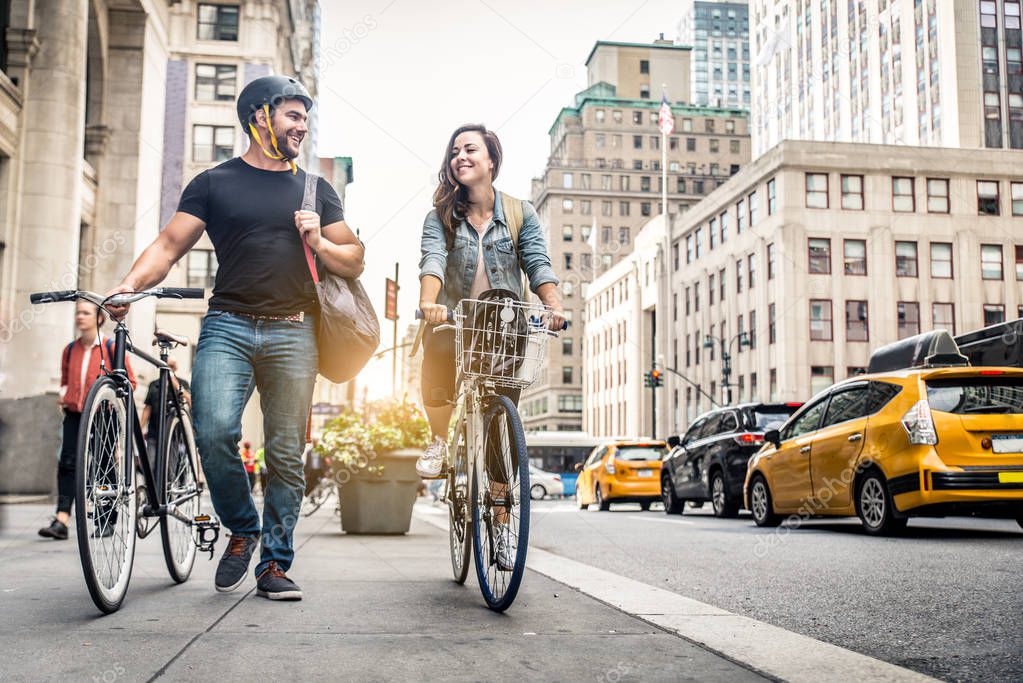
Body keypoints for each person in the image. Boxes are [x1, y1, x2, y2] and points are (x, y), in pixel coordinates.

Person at [105, 75, 365, 601]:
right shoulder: (213, 183)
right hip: (227, 324)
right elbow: (168, 245)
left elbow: (355, 258)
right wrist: (131, 285)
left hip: (296, 331)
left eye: (304, 118)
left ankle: (274, 565)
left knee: (287, 453)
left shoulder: (316, 190)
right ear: (260, 117)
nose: (301, 126)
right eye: (292, 115)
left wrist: (317, 239)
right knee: (213, 429)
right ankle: (243, 527)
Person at [416, 123, 565, 568]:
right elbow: (433, 259)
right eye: (454, 151)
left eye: (470, 149)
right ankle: (439, 441)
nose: (461, 156)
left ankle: (501, 526)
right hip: (457, 321)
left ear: (491, 162)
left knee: (502, 432)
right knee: (437, 352)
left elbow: (538, 262)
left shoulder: (519, 213)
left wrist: (553, 305)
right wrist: (429, 302)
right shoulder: (440, 215)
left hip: (504, 325)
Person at [38, 301, 136, 540]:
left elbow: (130, 382)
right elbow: (64, 380)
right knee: (67, 463)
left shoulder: (111, 348)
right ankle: (61, 519)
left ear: (99, 318)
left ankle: (105, 519)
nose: (80, 316)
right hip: (74, 414)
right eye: (78, 313)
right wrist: (64, 394)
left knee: (103, 464)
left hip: (103, 415)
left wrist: (113, 402)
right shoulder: (70, 350)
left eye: (85, 312)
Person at [140, 357, 189, 465]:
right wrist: (140, 428)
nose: (168, 369)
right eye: (166, 366)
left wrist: (176, 386)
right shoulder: (153, 384)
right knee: (150, 464)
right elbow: (147, 408)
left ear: (175, 368)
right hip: (154, 433)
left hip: (174, 435)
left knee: (170, 466)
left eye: (171, 367)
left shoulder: (183, 384)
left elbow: (190, 401)